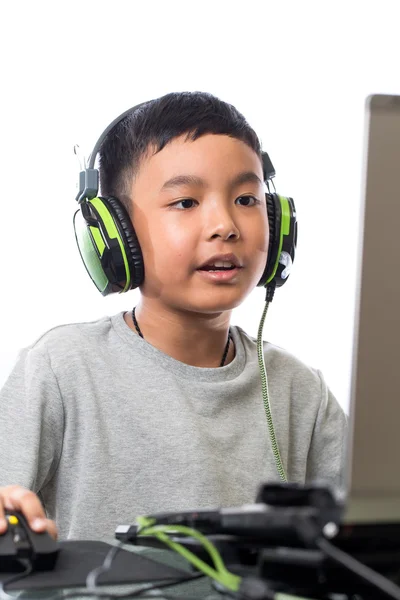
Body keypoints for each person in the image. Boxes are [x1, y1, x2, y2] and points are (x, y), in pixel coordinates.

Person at [0, 91, 347, 543]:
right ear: (113, 234)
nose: (225, 225)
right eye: (186, 202)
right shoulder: (62, 368)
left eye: (246, 199)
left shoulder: (300, 392)